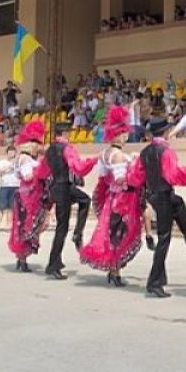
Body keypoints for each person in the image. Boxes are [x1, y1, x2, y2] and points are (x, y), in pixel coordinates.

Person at [128, 116, 186, 298]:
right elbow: (172, 175)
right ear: (167, 132)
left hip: (155, 194)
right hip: (163, 194)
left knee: (178, 203)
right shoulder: (166, 151)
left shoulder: (145, 152)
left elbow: (135, 177)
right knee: (164, 238)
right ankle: (154, 282)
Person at [80, 107, 147, 287]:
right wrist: (135, 164)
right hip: (122, 199)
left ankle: (114, 270)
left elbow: (103, 178)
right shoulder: (117, 155)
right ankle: (115, 271)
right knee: (120, 233)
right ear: (117, 135)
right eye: (124, 133)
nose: (126, 137)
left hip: (113, 198)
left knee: (113, 233)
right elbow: (120, 179)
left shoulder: (105, 154)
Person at [39, 125, 98, 280]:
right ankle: (54, 263)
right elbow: (78, 167)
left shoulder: (49, 150)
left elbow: (42, 172)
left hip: (56, 187)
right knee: (62, 227)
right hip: (64, 187)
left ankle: (76, 235)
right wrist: (94, 160)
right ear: (64, 133)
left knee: (84, 200)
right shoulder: (67, 149)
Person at [7, 120, 49, 272]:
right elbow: (28, 176)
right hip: (28, 197)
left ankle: (21, 258)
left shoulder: (25, 158)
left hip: (28, 195)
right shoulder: (25, 159)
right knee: (26, 227)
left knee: (23, 227)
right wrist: (42, 170)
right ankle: (22, 258)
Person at [0, 145, 20, 234]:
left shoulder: (18, 162)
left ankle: (9, 225)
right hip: (5, 186)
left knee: (12, 207)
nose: (11, 153)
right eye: (10, 152)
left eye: (13, 152)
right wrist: (7, 168)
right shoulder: (2, 162)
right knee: (0, 206)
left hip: (15, 186)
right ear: (7, 153)